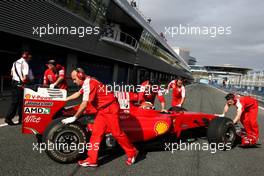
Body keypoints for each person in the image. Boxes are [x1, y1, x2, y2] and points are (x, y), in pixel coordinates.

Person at [61, 68, 138, 167]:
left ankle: (132, 153)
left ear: (80, 76)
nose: (74, 81)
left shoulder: (90, 84)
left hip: (110, 108)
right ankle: (92, 160)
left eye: (74, 79)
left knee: (117, 133)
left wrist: (74, 117)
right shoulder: (87, 81)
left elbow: (84, 103)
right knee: (96, 134)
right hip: (103, 110)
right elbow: (78, 94)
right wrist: (65, 98)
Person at [5, 51, 31, 125]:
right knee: (21, 103)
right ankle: (20, 119)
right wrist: (29, 81)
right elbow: (25, 78)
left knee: (14, 102)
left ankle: (8, 118)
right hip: (20, 84)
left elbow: (11, 73)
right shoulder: (25, 63)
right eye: (30, 57)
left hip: (13, 83)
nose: (30, 59)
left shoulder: (15, 62)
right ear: (27, 56)